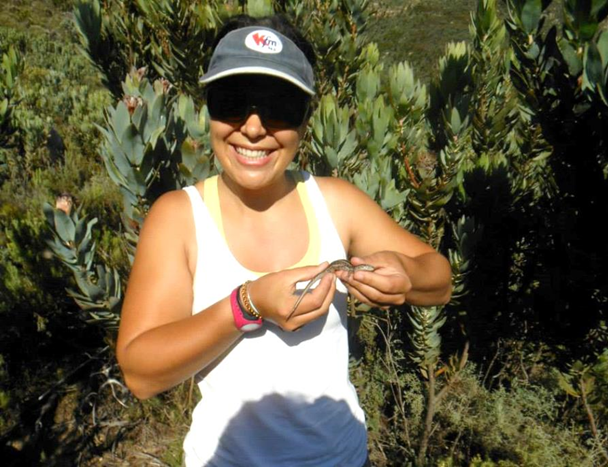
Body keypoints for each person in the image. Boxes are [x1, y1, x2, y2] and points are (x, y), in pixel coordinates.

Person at [116, 14, 452, 467]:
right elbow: (140, 372)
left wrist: (407, 276)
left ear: (305, 120)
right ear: (208, 108)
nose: (254, 127)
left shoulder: (336, 202)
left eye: (279, 106)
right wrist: (245, 306)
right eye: (232, 101)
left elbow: (440, 279)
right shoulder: (179, 218)